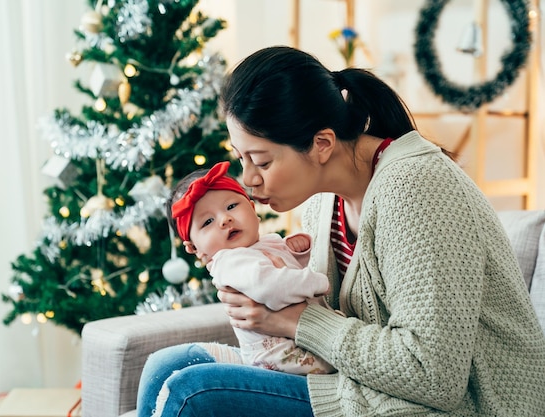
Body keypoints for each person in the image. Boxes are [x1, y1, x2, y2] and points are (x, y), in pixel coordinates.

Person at [137, 46, 545, 417]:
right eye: (241, 158)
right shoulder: (322, 201)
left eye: (261, 161)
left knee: (193, 391)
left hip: (466, 406)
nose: (249, 181)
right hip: (371, 386)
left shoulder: (416, 189)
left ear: (322, 143)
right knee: (165, 366)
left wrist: (299, 323)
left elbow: (432, 374)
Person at [168, 160, 335, 375]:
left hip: (301, 336)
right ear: (195, 249)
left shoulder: (260, 246)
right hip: (279, 354)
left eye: (231, 207)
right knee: (334, 364)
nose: (225, 219)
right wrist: (317, 281)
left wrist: (296, 253)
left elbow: (285, 272)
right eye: (207, 222)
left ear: (252, 208)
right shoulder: (229, 262)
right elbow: (271, 287)